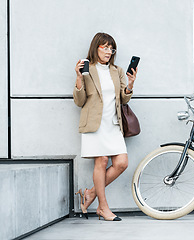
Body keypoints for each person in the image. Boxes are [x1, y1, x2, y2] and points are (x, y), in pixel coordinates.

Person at [73, 32, 137, 221]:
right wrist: (78, 77)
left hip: (113, 123)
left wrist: (130, 85)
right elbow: (79, 101)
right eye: (105, 47)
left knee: (121, 163)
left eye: (112, 48)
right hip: (95, 124)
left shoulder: (117, 71)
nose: (109, 51)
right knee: (100, 161)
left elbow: (124, 98)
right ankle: (103, 207)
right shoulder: (87, 69)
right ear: (96, 48)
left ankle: (91, 194)